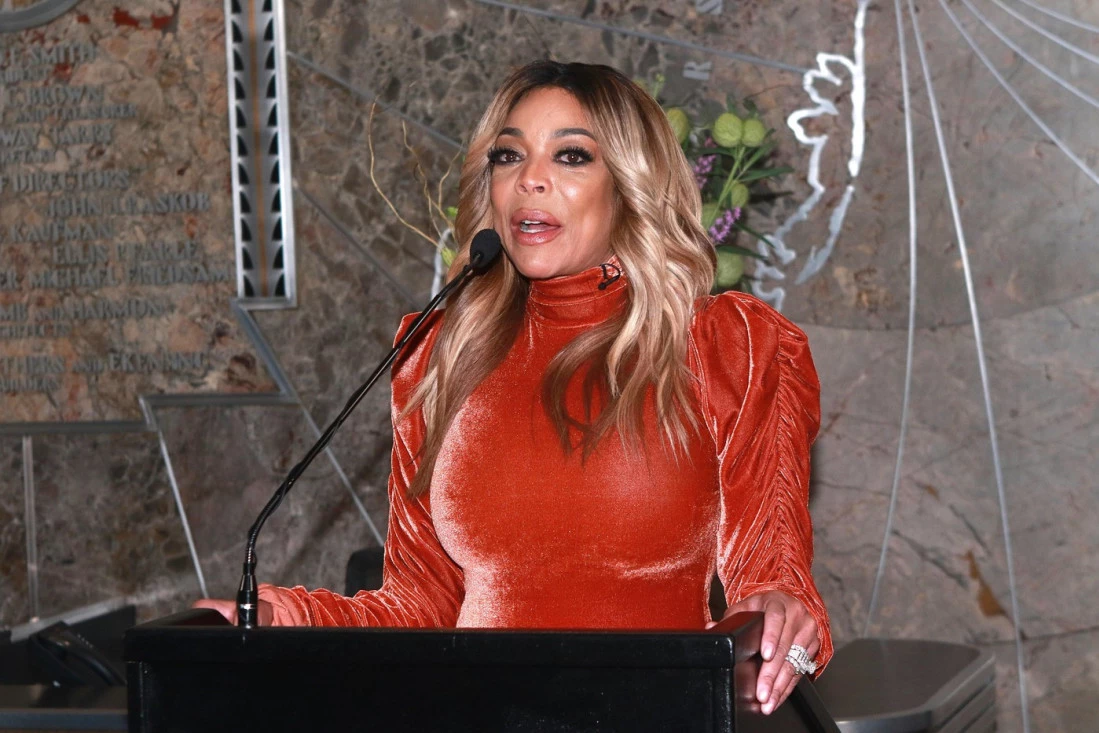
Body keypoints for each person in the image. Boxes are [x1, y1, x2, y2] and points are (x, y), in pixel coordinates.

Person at [197, 60, 831, 715]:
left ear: (629, 185)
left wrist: (779, 615)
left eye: (571, 155)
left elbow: (773, 578)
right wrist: (283, 620)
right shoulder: (441, 354)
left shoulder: (727, 346)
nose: (530, 178)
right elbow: (420, 607)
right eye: (509, 155)